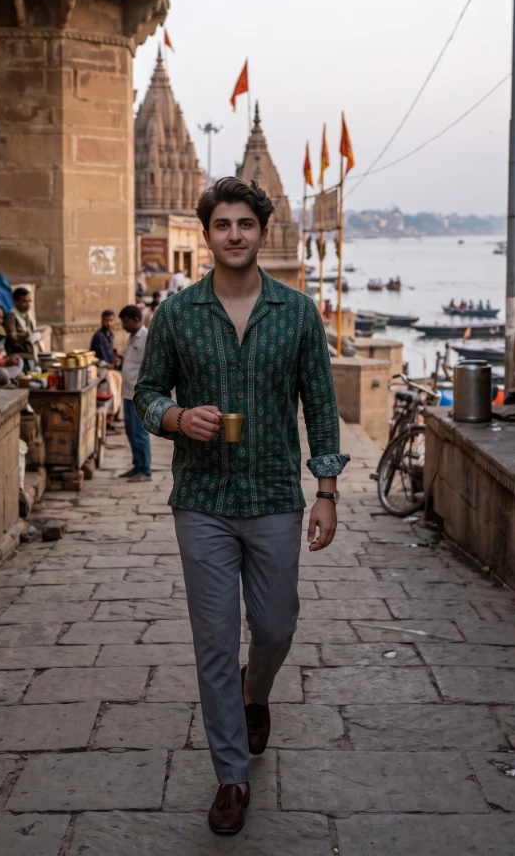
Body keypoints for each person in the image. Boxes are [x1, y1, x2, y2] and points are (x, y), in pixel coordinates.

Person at [135, 177, 349, 835]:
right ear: (206, 235)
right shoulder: (177, 315)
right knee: (215, 642)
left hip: (275, 498)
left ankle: (259, 692)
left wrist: (328, 490)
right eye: (222, 224)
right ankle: (230, 775)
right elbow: (144, 394)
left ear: (261, 232)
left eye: (244, 225)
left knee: (277, 626)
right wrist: (174, 417)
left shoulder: (296, 313)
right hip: (200, 500)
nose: (233, 235)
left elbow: (321, 403)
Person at [119, 304, 151, 482]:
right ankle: (137, 465)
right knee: (130, 432)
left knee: (140, 433)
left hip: (137, 394)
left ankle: (145, 470)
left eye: (126, 322)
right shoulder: (131, 338)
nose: (123, 325)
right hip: (126, 392)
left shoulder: (146, 337)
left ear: (137, 320)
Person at [3, 287, 40, 366]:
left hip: (30, 351)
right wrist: (26, 336)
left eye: (29, 301)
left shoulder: (28, 315)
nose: (28, 304)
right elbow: (12, 336)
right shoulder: (11, 316)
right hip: (18, 352)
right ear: (16, 302)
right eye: (24, 301)